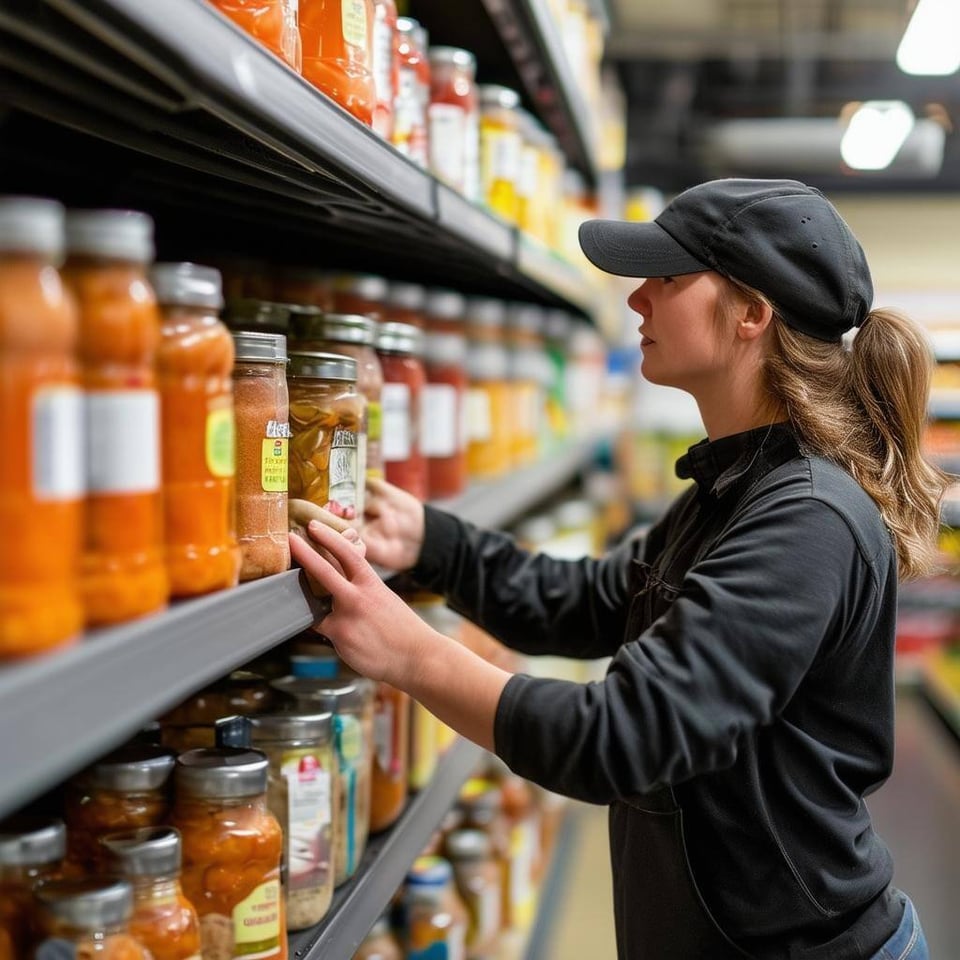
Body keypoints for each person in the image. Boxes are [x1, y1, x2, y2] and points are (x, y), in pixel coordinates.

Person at [290, 178, 947, 959]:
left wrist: (409, 653)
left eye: (667, 277)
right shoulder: (735, 487)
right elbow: (589, 601)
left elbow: (619, 737)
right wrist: (432, 539)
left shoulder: (806, 517)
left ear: (751, 314)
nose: (637, 299)